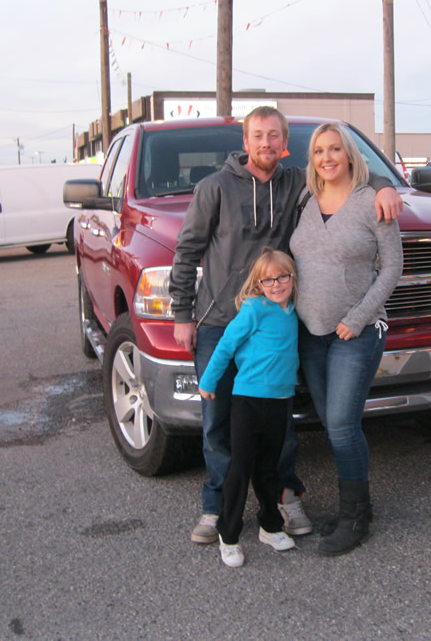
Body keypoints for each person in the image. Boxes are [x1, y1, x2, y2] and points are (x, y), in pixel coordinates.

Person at [170, 106, 403, 544]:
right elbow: (186, 253)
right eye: (257, 136)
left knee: (280, 418)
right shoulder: (214, 188)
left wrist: (386, 183)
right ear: (245, 143)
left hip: (279, 325)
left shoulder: (296, 183)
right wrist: (182, 314)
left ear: (284, 144)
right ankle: (216, 506)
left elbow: (346, 173)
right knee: (218, 419)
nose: (265, 144)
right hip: (222, 322)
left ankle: (285, 497)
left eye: (273, 136)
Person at [290, 122, 403, 556]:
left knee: (340, 425)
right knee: (332, 421)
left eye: (335, 148)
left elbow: (392, 268)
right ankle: (358, 507)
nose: (327, 157)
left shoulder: (372, 202)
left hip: (355, 332)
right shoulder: (305, 200)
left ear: (350, 154)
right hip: (311, 333)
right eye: (319, 151)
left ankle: (355, 516)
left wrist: (357, 318)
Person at [198, 248, 300, 568]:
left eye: (283, 277)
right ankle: (228, 535)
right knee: (240, 468)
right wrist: (209, 382)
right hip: (248, 401)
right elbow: (227, 344)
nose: (276, 284)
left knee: (269, 468)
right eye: (268, 279)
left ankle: (270, 526)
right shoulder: (255, 309)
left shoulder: (294, 311)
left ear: (293, 278)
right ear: (258, 283)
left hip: (279, 402)